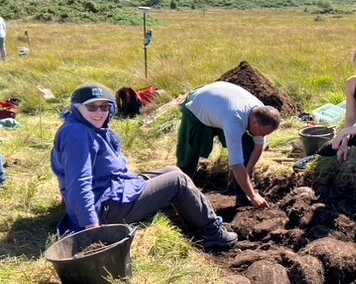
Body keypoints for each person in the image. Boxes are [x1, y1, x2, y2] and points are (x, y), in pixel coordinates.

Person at [51, 84, 237, 251]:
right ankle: (213, 233)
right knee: (178, 181)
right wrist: (90, 227)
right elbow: (79, 183)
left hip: (110, 190)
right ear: (76, 108)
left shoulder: (81, 127)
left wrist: (65, 193)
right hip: (105, 207)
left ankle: (186, 216)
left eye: (105, 107)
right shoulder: (78, 135)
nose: (99, 113)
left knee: (173, 171)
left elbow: (66, 171)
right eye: (92, 107)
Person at [176, 81, 281, 208]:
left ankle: (243, 197)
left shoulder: (260, 112)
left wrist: (247, 171)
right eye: (263, 133)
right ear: (255, 122)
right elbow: (236, 164)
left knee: (248, 144)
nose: (263, 136)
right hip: (199, 106)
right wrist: (254, 195)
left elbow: (258, 146)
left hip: (220, 106)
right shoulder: (234, 120)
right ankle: (178, 193)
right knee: (189, 153)